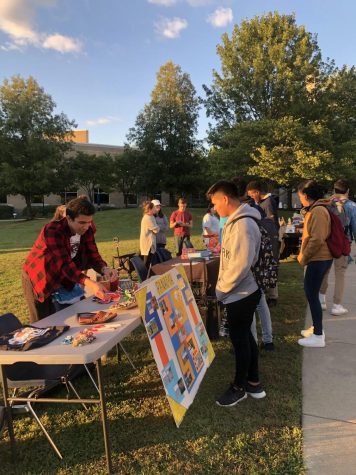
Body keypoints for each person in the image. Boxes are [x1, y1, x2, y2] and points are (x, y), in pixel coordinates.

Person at [206, 180, 266, 407]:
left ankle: (239, 387)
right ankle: (253, 381)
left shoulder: (242, 225)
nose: (214, 209)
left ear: (225, 199)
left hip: (240, 293)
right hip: (240, 291)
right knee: (246, 338)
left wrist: (221, 290)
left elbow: (239, 266)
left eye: (215, 203)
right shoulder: (238, 221)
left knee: (240, 341)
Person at [22, 196, 117, 323]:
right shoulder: (52, 230)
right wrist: (91, 283)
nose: (86, 227)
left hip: (64, 277)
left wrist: (104, 269)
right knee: (43, 324)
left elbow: (93, 255)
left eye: (89, 222)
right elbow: (64, 264)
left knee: (72, 317)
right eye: (82, 222)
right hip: (40, 278)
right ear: (68, 218)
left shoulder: (87, 229)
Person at [297, 180, 333, 348]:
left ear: (305, 195)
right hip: (320, 258)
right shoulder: (318, 209)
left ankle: (318, 335)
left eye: (300, 196)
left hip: (318, 258)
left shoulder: (318, 211)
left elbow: (317, 238)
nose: (300, 200)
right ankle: (317, 328)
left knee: (311, 295)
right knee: (313, 295)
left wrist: (304, 257)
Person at [319, 179, 356, 315]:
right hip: (343, 243)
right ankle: (336, 305)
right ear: (347, 191)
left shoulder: (326, 203)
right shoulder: (352, 206)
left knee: (325, 270)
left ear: (334, 190)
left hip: (328, 242)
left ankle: (321, 300)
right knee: (340, 274)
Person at [246, 180, 279, 306]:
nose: (251, 197)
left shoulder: (268, 202)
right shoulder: (260, 202)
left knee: (270, 266)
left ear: (257, 192)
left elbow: (271, 223)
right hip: (266, 239)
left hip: (270, 240)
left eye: (252, 194)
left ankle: (273, 296)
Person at [140, 201, 160, 267]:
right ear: (150, 209)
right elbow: (156, 230)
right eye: (154, 208)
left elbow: (156, 229)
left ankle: (148, 275)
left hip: (151, 243)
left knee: (150, 262)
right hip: (147, 244)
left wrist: (157, 228)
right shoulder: (147, 218)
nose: (155, 209)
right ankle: (145, 276)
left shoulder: (152, 217)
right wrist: (157, 227)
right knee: (147, 263)